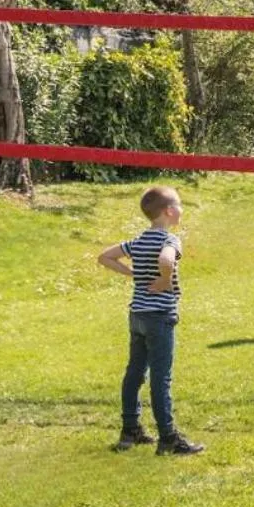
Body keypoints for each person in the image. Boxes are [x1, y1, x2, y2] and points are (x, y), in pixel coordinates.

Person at [98, 185, 204, 455]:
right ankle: (168, 437)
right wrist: (165, 279)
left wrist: (132, 273)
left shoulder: (138, 241)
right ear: (169, 211)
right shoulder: (170, 240)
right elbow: (167, 260)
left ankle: (130, 430)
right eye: (179, 205)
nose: (181, 209)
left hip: (137, 315)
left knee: (134, 372)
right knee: (160, 377)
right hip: (159, 318)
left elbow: (105, 257)